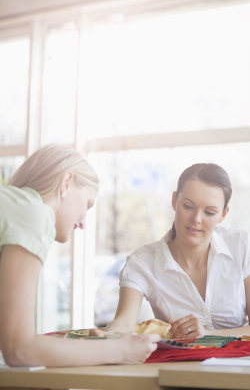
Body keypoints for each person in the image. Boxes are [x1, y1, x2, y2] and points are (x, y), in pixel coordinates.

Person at [0, 144, 159, 367]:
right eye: (87, 204)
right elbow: (19, 350)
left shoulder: (13, 207)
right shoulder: (33, 212)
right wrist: (120, 350)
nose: (83, 221)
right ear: (66, 182)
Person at [105, 163, 250, 339]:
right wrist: (103, 334)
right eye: (188, 206)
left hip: (241, 363)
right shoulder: (142, 262)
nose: (196, 219)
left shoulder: (240, 245)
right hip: (179, 364)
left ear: (223, 214)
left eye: (209, 212)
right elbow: (124, 322)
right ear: (174, 201)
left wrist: (209, 335)